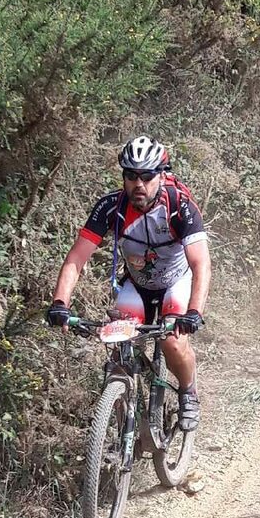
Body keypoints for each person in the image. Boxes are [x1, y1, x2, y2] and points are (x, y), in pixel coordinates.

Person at [46, 135, 211, 432]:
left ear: (161, 175)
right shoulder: (111, 207)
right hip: (138, 284)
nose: (139, 184)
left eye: (147, 176)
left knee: (172, 342)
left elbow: (201, 264)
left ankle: (188, 392)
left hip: (176, 282)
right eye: (131, 175)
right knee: (119, 345)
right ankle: (124, 415)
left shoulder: (179, 205)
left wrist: (194, 312)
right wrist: (60, 303)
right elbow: (76, 259)